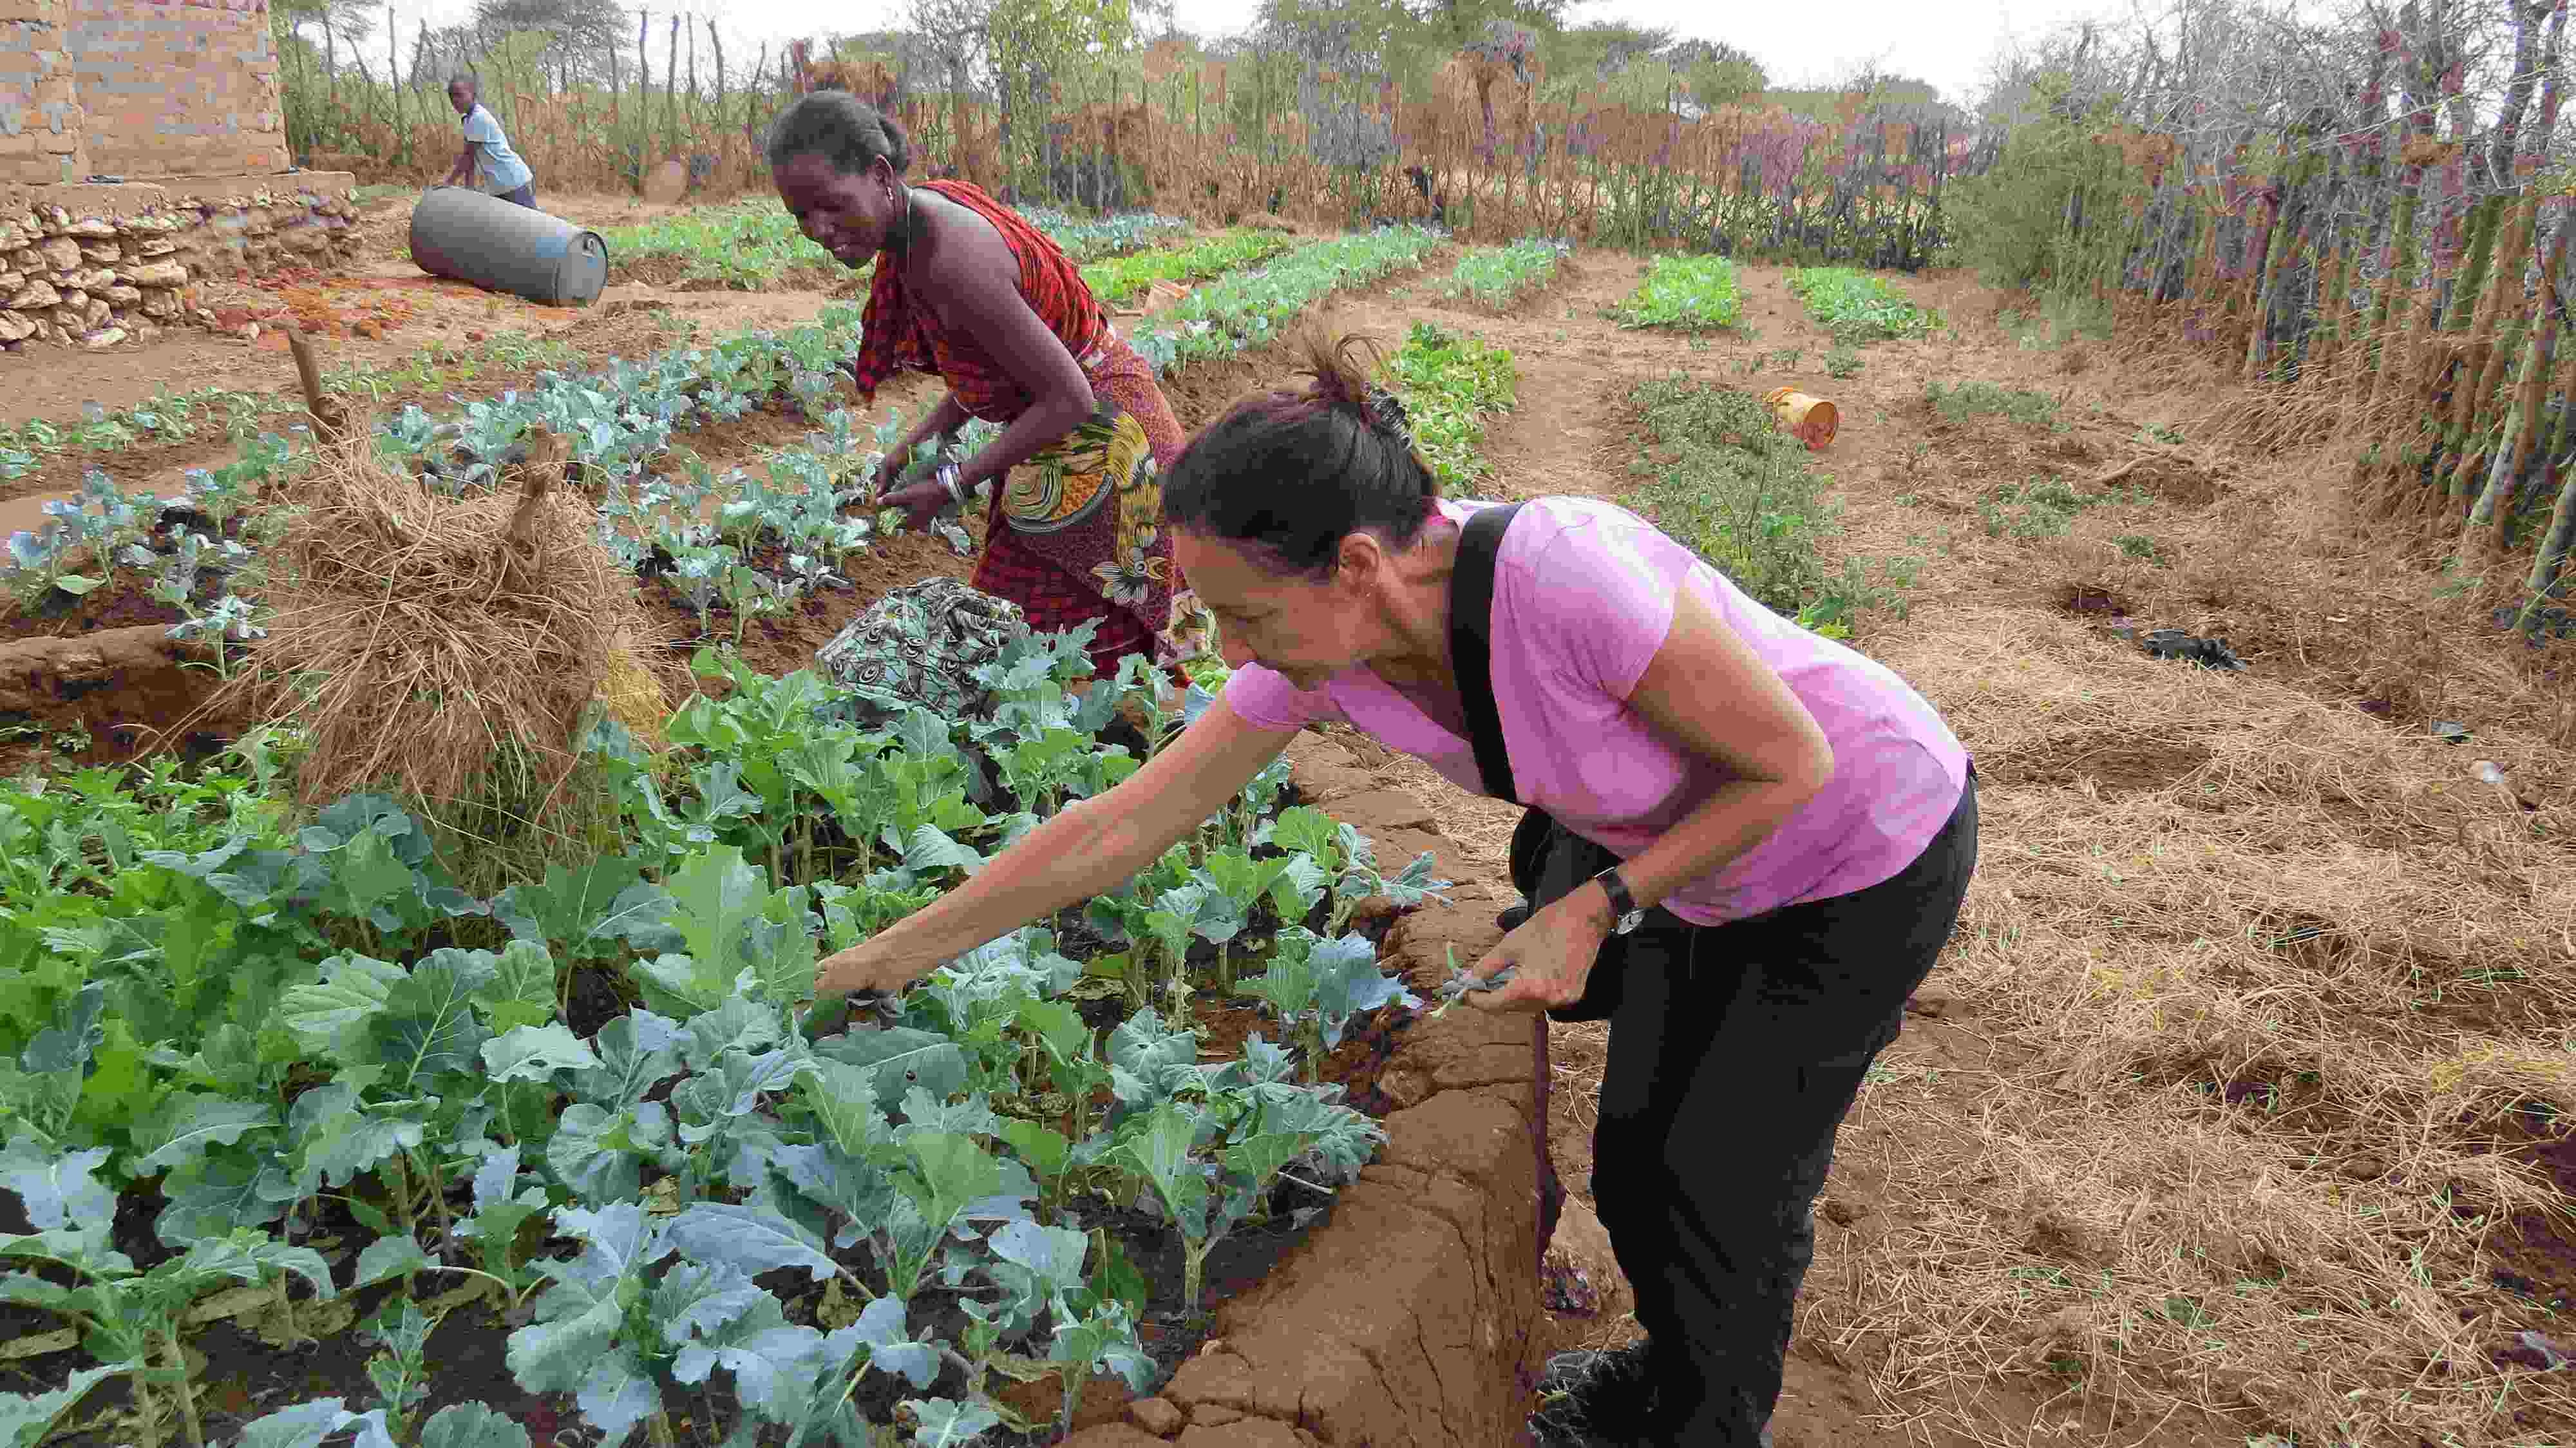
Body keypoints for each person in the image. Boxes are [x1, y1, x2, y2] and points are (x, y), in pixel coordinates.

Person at [811, 332, 1981, 1447]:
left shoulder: (1567, 579)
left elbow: (1793, 764)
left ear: (1357, 565)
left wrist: (1601, 903)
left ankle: (1709, 1422)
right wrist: (887, 955)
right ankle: (1662, 1370)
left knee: (1725, 1173)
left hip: (1860, 845)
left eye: (1245, 615)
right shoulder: (1334, 654)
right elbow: (1122, 825)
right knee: (1633, 1157)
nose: (1228, 651)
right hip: (1698, 870)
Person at [766, 91, 1198, 685]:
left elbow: (1068, 395)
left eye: (832, 205)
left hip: (1108, 453)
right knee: (1037, 660)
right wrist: (919, 442)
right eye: (800, 215)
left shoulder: (950, 261)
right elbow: (997, 363)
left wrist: (954, 482)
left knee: (1078, 666)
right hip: (1071, 440)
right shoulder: (919, 220)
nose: (819, 230)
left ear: (880, 175)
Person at [442, 73, 536, 209]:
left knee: (530, 224)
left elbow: (468, 156)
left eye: (460, 95)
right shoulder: (468, 119)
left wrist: (449, 182)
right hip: (500, 185)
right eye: (452, 97)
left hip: (512, 180)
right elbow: (471, 157)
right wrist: (470, 188)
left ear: (473, 94)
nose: (456, 101)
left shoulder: (478, 118)